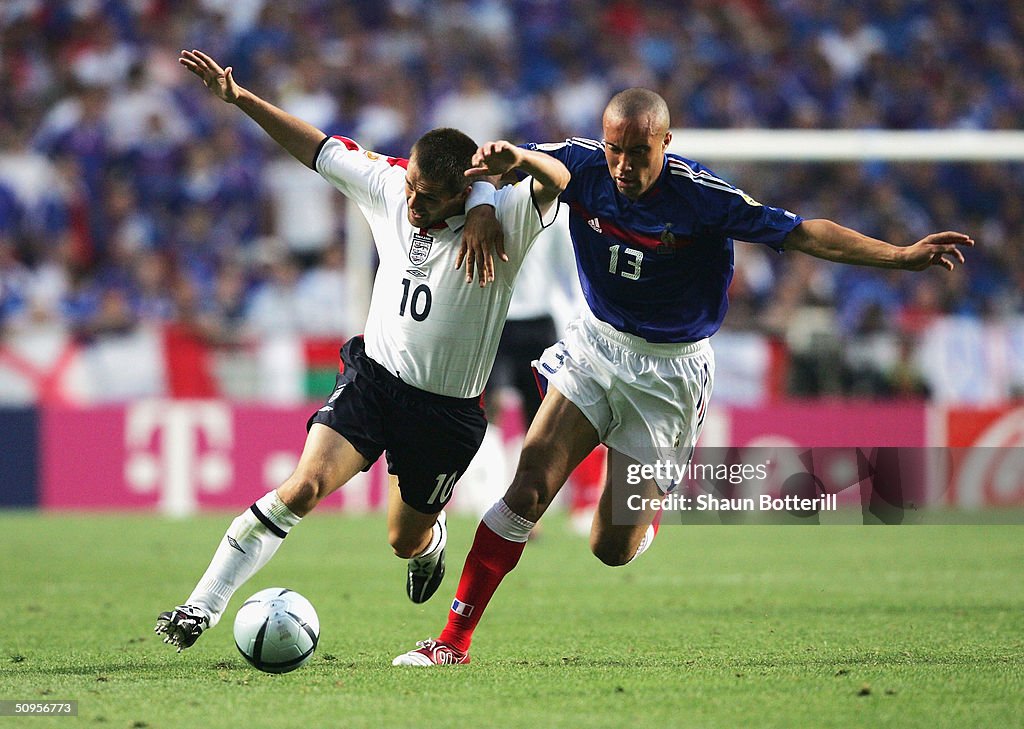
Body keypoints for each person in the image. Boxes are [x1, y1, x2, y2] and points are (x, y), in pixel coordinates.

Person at [392, 87, 974, 666]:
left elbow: (800, 232)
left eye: (638, 152)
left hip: (670, 373)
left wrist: (898, 257)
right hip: (597, 345)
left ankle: (646, 514)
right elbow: (514, 163)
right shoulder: (585, 164)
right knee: (528, 488)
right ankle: (452, 642)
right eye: (615, 148)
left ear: (666, 143)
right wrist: (494, 193)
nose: (623, 164)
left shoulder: (701, 197)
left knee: (610, 548)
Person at [155, 49, 569, 651]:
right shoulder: (389, 185)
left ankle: (430, 544)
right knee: (302, 488)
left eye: (430, 198)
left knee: (405, 537)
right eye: (411, 189)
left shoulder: (504, 214)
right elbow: (317, 149)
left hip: (447, 411)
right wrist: (241, 99)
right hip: (374, 378)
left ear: (466, 192)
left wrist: (507, 178)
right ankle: (200, 607)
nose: (412, 205)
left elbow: (557, 181)